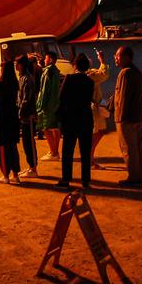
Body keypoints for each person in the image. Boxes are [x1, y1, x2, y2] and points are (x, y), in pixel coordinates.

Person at [55, 54, 96, 189]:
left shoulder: (69, 78)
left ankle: (66, 179)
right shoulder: (90, 82)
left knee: (68, 150)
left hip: (71, 118)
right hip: (85, 118)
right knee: (85, 151)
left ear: (75, 65)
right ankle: (86, 181)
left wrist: (59, 118)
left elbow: (61, 98)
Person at [113, 46, 142, 186]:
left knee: (129, 148)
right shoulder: (137, 72)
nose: (115, 58)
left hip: (127, 117)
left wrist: (120, 118)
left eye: (118, 55)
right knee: (140, 147)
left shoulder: (125, 73)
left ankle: (134, 177)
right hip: (138, 115)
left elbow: (123, 98)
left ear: (127, 57)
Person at [0, 59, 22, 184]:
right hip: (13, 116)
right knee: (13, 146)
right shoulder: (15, 82)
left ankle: (5, 175)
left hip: (2, 117)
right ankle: (16, 175)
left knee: (2, 146)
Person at [84, 49, 112, 168]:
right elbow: (104, 74)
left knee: (98, 132)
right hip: (92, 108)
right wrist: (102, 60)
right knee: (96, 133)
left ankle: (90, 158)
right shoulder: (90, 75)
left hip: (90, 107)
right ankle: (89, 159)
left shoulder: (85, 74)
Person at [16, 56, 40, 177]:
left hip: (28, 115)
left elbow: (26, 99)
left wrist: (20, 113)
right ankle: (31, 166)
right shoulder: (21, 77)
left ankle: (34, 169)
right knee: (26, 142)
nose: (16, 66)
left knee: (30, 142)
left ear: (22, 65)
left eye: (17, 63)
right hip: (24, 115)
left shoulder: (27, 79)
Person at [37, 52, 63, 161]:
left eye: (46, 58)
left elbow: (44, 91)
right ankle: (54, 151)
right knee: (55, 128)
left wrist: (39, 106)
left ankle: (54, 152)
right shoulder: (56, 71)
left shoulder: (47, 72)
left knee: (46, 128)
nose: (44, 60)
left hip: (48, 104)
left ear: (51, 59)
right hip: (55, 103)